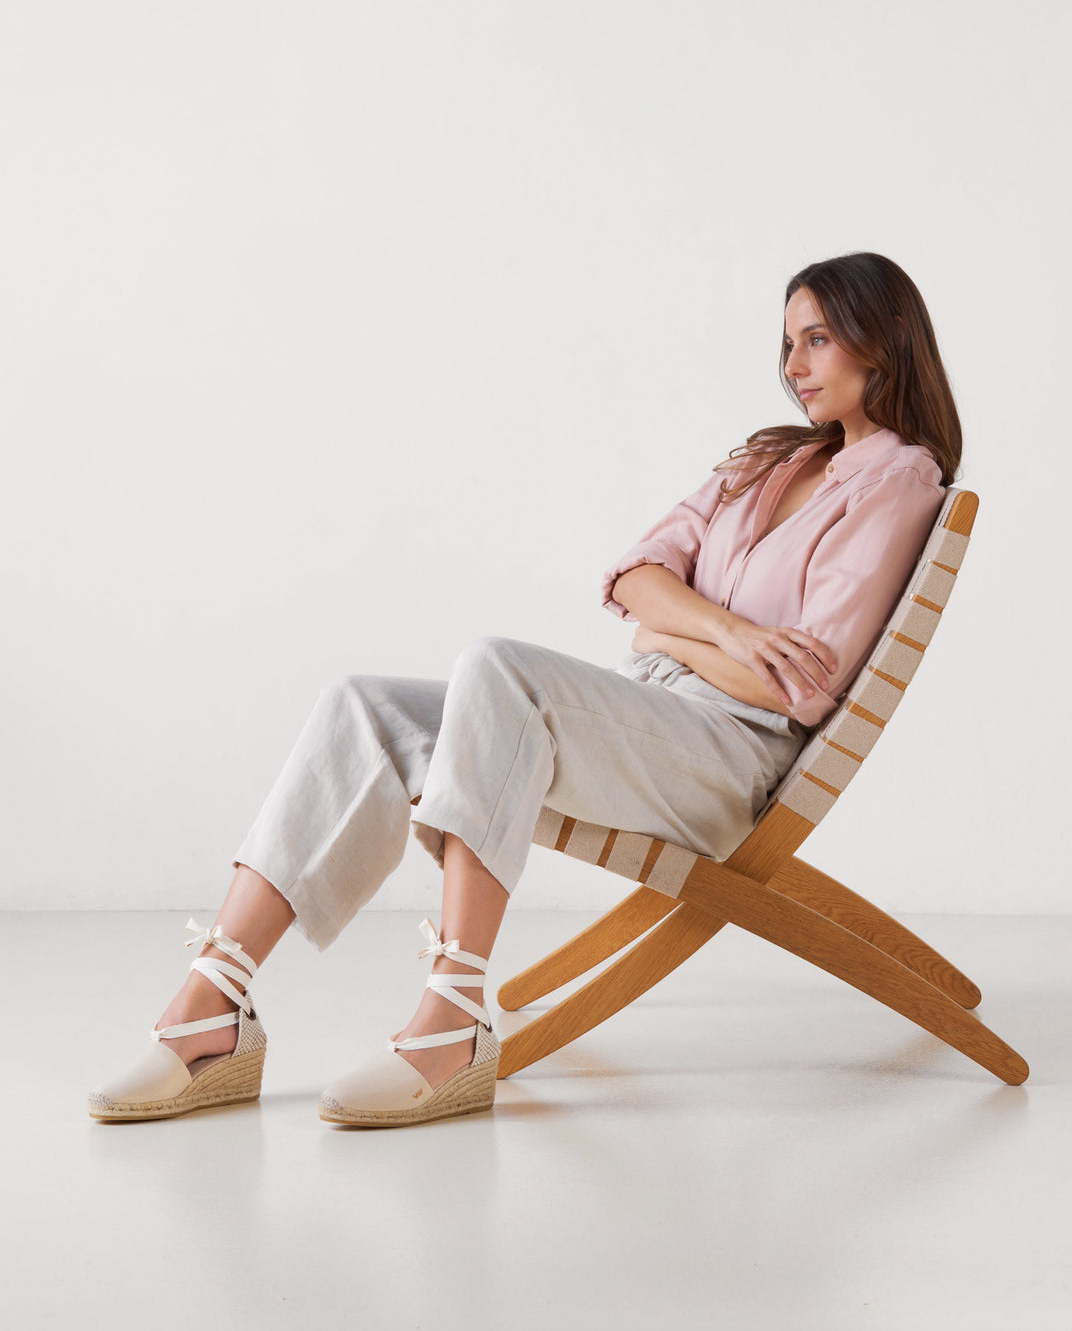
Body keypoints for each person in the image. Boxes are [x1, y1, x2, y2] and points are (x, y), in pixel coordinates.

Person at [88, 250, 961, 1127]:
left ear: (881, 340)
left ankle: (453, 1023)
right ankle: (214, 1006)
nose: (794, 366)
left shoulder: (899, 480)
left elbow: (799, 690)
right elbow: (633, 575)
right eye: (786, 343)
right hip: (652, 722)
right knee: (366, 706)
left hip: (728, 758)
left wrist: (670, 629)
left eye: (816, 338)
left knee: (500, 671)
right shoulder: (771, 462)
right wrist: (724, 630)